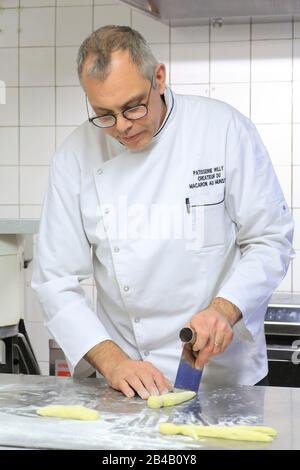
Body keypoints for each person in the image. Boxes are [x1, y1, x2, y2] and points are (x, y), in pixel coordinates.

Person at [32, 25, 294, 399]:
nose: (122, 126)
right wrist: (113, 362)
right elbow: (55, 281)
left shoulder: (222, 130)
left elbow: (269, 240)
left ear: (159, 77)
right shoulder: (73, 157)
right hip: (128, 380)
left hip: (225, 379)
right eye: (104, 114)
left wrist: (223, 310)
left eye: (133, 107)